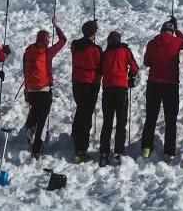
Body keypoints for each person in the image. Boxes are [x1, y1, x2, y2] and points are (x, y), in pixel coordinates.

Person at [141, 16, 183, 161]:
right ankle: (169, 152)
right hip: (171, 85)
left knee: (151, 117)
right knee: (170, 119)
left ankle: (146, 148)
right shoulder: (176, 41)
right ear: (172, 32)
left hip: (154, 84)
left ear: (161, 31)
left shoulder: (152, 43)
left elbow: (147, 62)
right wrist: (178, 30)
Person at [22, 17, 67, 158]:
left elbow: (25, 70)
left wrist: (26, 89)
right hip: (44, 90)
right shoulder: (47, 52)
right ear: (46, 40)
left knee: (34, 111)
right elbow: (63, 40)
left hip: (31, 89)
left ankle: (29, 126)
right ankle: (36, 150)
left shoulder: (28, 51)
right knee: (42, 120)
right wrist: (56, 26)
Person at [98, 31, 139, 166]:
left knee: (107, 122)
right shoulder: (125, 51)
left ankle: (104, 153)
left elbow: (99, 70)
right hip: (121, 89)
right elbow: (134, 68)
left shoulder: (105, 54)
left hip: (108, 90)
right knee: (121, 122)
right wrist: (131, 78)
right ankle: (118, 151)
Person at [70, 20, 102, 163]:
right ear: (93, 34)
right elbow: (100, 66)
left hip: (77, 83)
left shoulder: (75, 45)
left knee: (81, 109)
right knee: (86, 115)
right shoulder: (96, 50)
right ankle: (80, 149)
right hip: (90, 85)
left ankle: (75, 134)